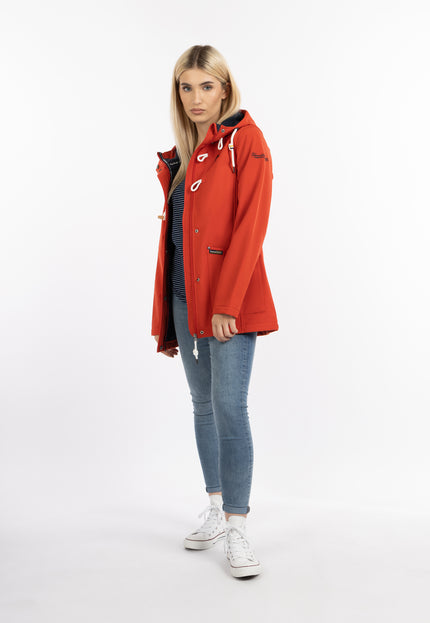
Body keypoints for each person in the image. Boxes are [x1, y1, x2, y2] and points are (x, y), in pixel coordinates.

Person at [151, 44, 278, 579]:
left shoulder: (245, 140)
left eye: (206, 86)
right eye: (187, 87)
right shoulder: (184, 154)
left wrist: (227, 304)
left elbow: (251, 226)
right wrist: (170, 307)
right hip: (185, 298)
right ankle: (215, 506)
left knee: (229, 406)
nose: (196, 97)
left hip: (230, 302)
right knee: (202, 405)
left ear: (225, 89)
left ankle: (238, 525)